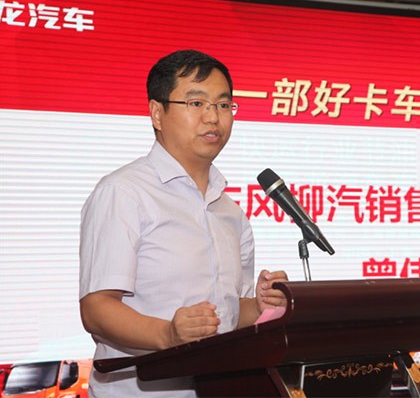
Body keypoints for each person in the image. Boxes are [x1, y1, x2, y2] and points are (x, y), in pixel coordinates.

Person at [79, 49, 288, 397]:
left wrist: (260, 306)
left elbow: (229, 313)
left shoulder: (229, 212)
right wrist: (168, 334)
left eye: (224, 105)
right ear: (157, 113)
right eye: (196, 103)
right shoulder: (124, 192)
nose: (213, 117)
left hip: (219, 390)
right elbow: (96, 309)